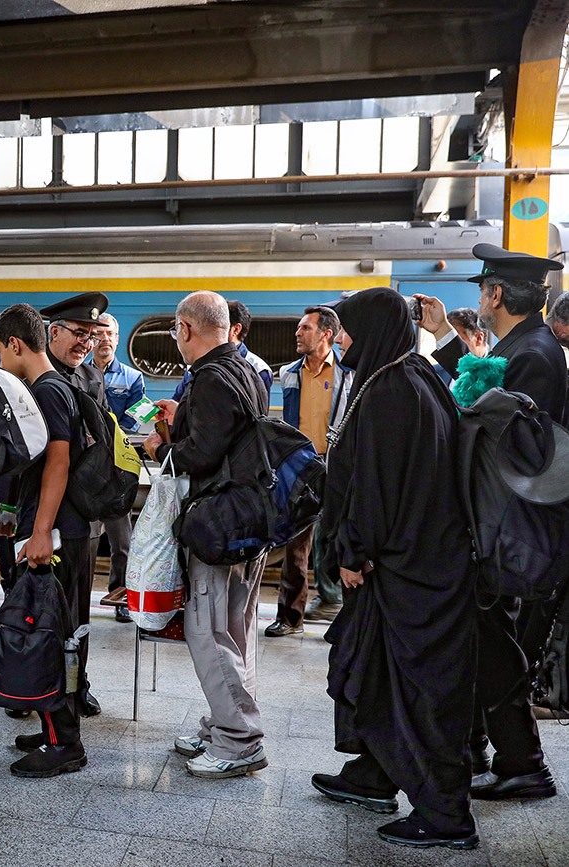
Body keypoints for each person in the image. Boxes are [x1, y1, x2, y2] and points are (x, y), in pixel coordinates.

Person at [310, 287, 479, 849]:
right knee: (374, 672)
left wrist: (353, 552)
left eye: (348, 330)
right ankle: (374, 774)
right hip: (422, 561)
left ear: (375, 331)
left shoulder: (388, 391)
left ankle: (446, 815)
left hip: (404, 571)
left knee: (417, 690)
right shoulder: (416, 375)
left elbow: (376, 487)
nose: (342, 340)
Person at [417, 243, 565, 801]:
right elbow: (485, 383)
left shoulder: (534, 355)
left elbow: (499, 435)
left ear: (496, 294)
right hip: (502, 522)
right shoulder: (528, 345)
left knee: (497, 644)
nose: (481, 297)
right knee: (489, 640)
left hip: (507, 527)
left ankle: (523, 762)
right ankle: (486, 749)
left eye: (483, 289)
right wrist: (444, 336)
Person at [144, 290, 269, 779]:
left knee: (209, 632)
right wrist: (184, 420)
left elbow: (202, 456)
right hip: (246, 520)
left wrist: (161, 449)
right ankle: (225, 722)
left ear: (186, 329)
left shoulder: (211, 377)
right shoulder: (243, 369)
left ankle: (239, 739)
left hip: (221, 524)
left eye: (176, 330)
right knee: (234, 631)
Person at [0, 303, 91, 777]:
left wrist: (39, 532)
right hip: (55, 527)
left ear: (15, 344)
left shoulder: (48, 391)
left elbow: (58, 463)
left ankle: (64, 744)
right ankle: (55, 726)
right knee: (55, 630)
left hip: (55, 533)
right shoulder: (54, 387)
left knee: (49, 634)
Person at [39, 292, 109, 717]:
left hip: (83, 514)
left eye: (91, 335)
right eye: (80, 333)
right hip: (47, 514)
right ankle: (34, 686)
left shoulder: (91, 377)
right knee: (40, 606)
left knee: (78, 608)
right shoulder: (40, 376)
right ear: (54, 333)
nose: (86, 342)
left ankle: (76, 684)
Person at [268, 306, 352, 635]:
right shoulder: (289, 373)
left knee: (341, 541)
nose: (297, 333)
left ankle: (344, 615)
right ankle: (290, 618)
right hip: (302, 470)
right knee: (296, 544)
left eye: (305, 328)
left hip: (338, 467)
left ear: (326, 334)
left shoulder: (348, 372)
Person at [87, 312, 145, 624]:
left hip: (117, 470)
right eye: (98, 333)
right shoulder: (79, 373)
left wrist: (109, 436)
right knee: (87, 537)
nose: (104, 339)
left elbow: (139, 415)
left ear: (118, 338)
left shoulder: (133, 378)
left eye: (109, 333)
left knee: (123, 541)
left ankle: (121, 596)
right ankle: (79, 594)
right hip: (87, 470)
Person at [171, 299, 271, 400]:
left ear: (236, 329)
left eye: (220, 325)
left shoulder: (258, 369)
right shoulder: (196, 362)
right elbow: (178, 398)